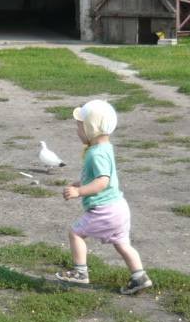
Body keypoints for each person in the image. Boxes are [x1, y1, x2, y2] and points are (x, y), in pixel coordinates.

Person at [56, 99, 152, 295]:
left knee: (75, 233)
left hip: (104, 210)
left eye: (80, 126)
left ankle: (80, 272)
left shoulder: (95, 154)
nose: (77, 131)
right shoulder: (106, 148)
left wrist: (79, 192)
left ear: (91, 127)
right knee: (123, 245)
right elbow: (98, 176)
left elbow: (102, 182)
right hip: (119, 208)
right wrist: (81, 182)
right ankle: (139, 276)